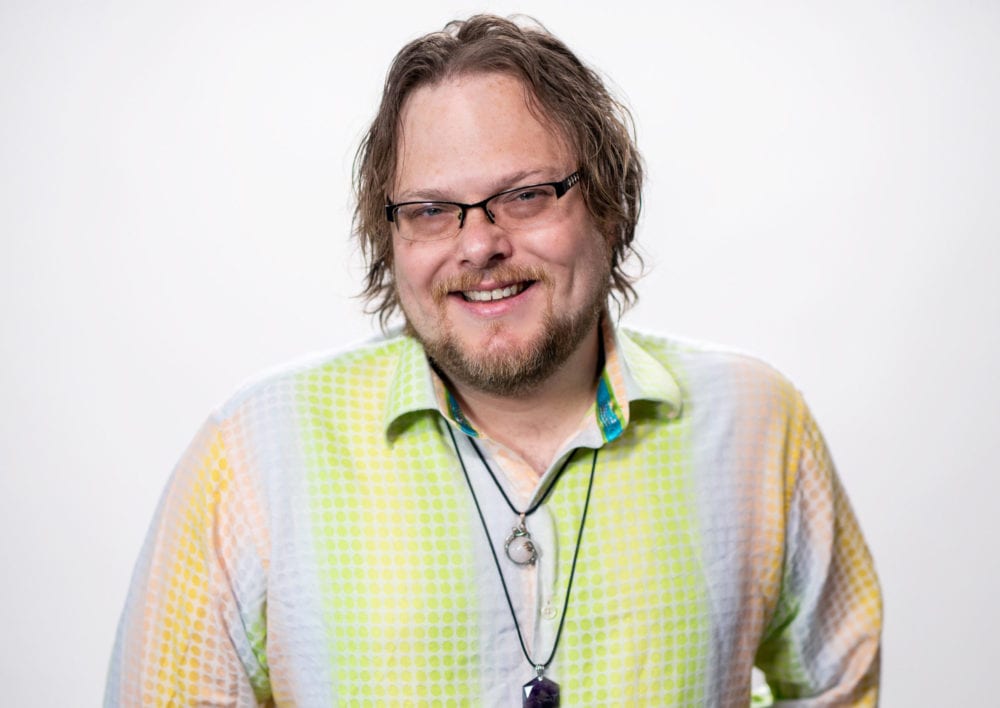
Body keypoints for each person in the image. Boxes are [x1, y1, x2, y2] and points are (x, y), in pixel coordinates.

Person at [105, 14, 881, 707]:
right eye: (432, 210)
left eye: (526, 195)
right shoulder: (252, 451)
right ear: (392, 236)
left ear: (608, 205)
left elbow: (839, 684)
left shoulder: (756, 421)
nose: (479, 245)